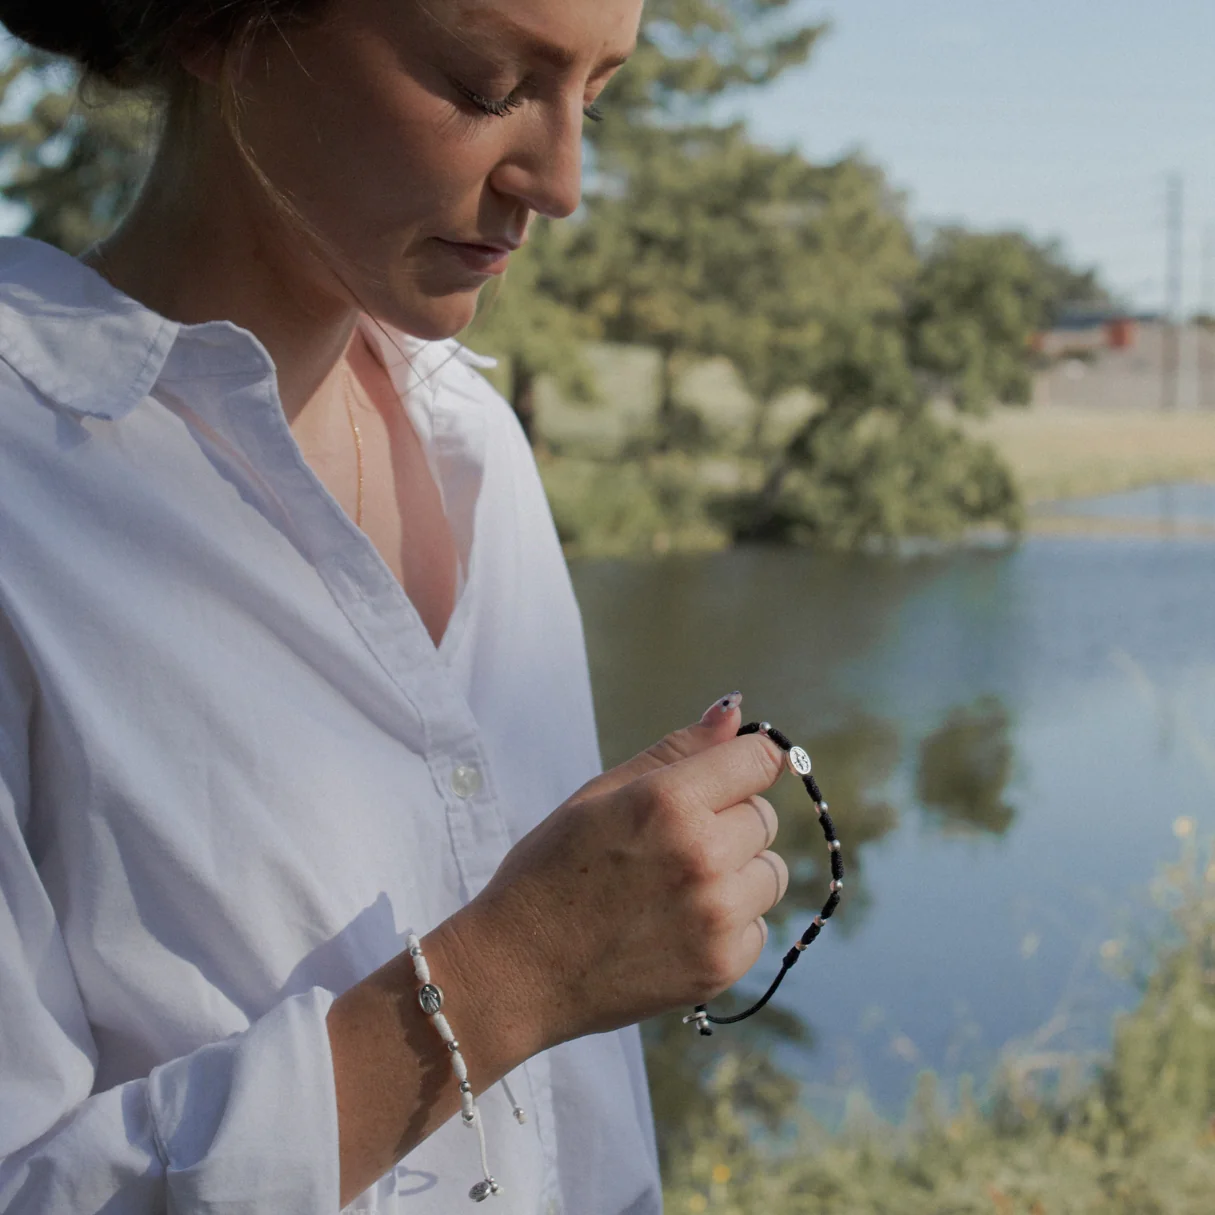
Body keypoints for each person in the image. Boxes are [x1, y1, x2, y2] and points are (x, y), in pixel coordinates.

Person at [0, 1, 790, 1211]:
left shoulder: (477, 441)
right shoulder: (25, 496)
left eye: (599, 92)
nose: (565, 180)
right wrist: (513, 976)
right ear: (221, 24)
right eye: (483, 86)